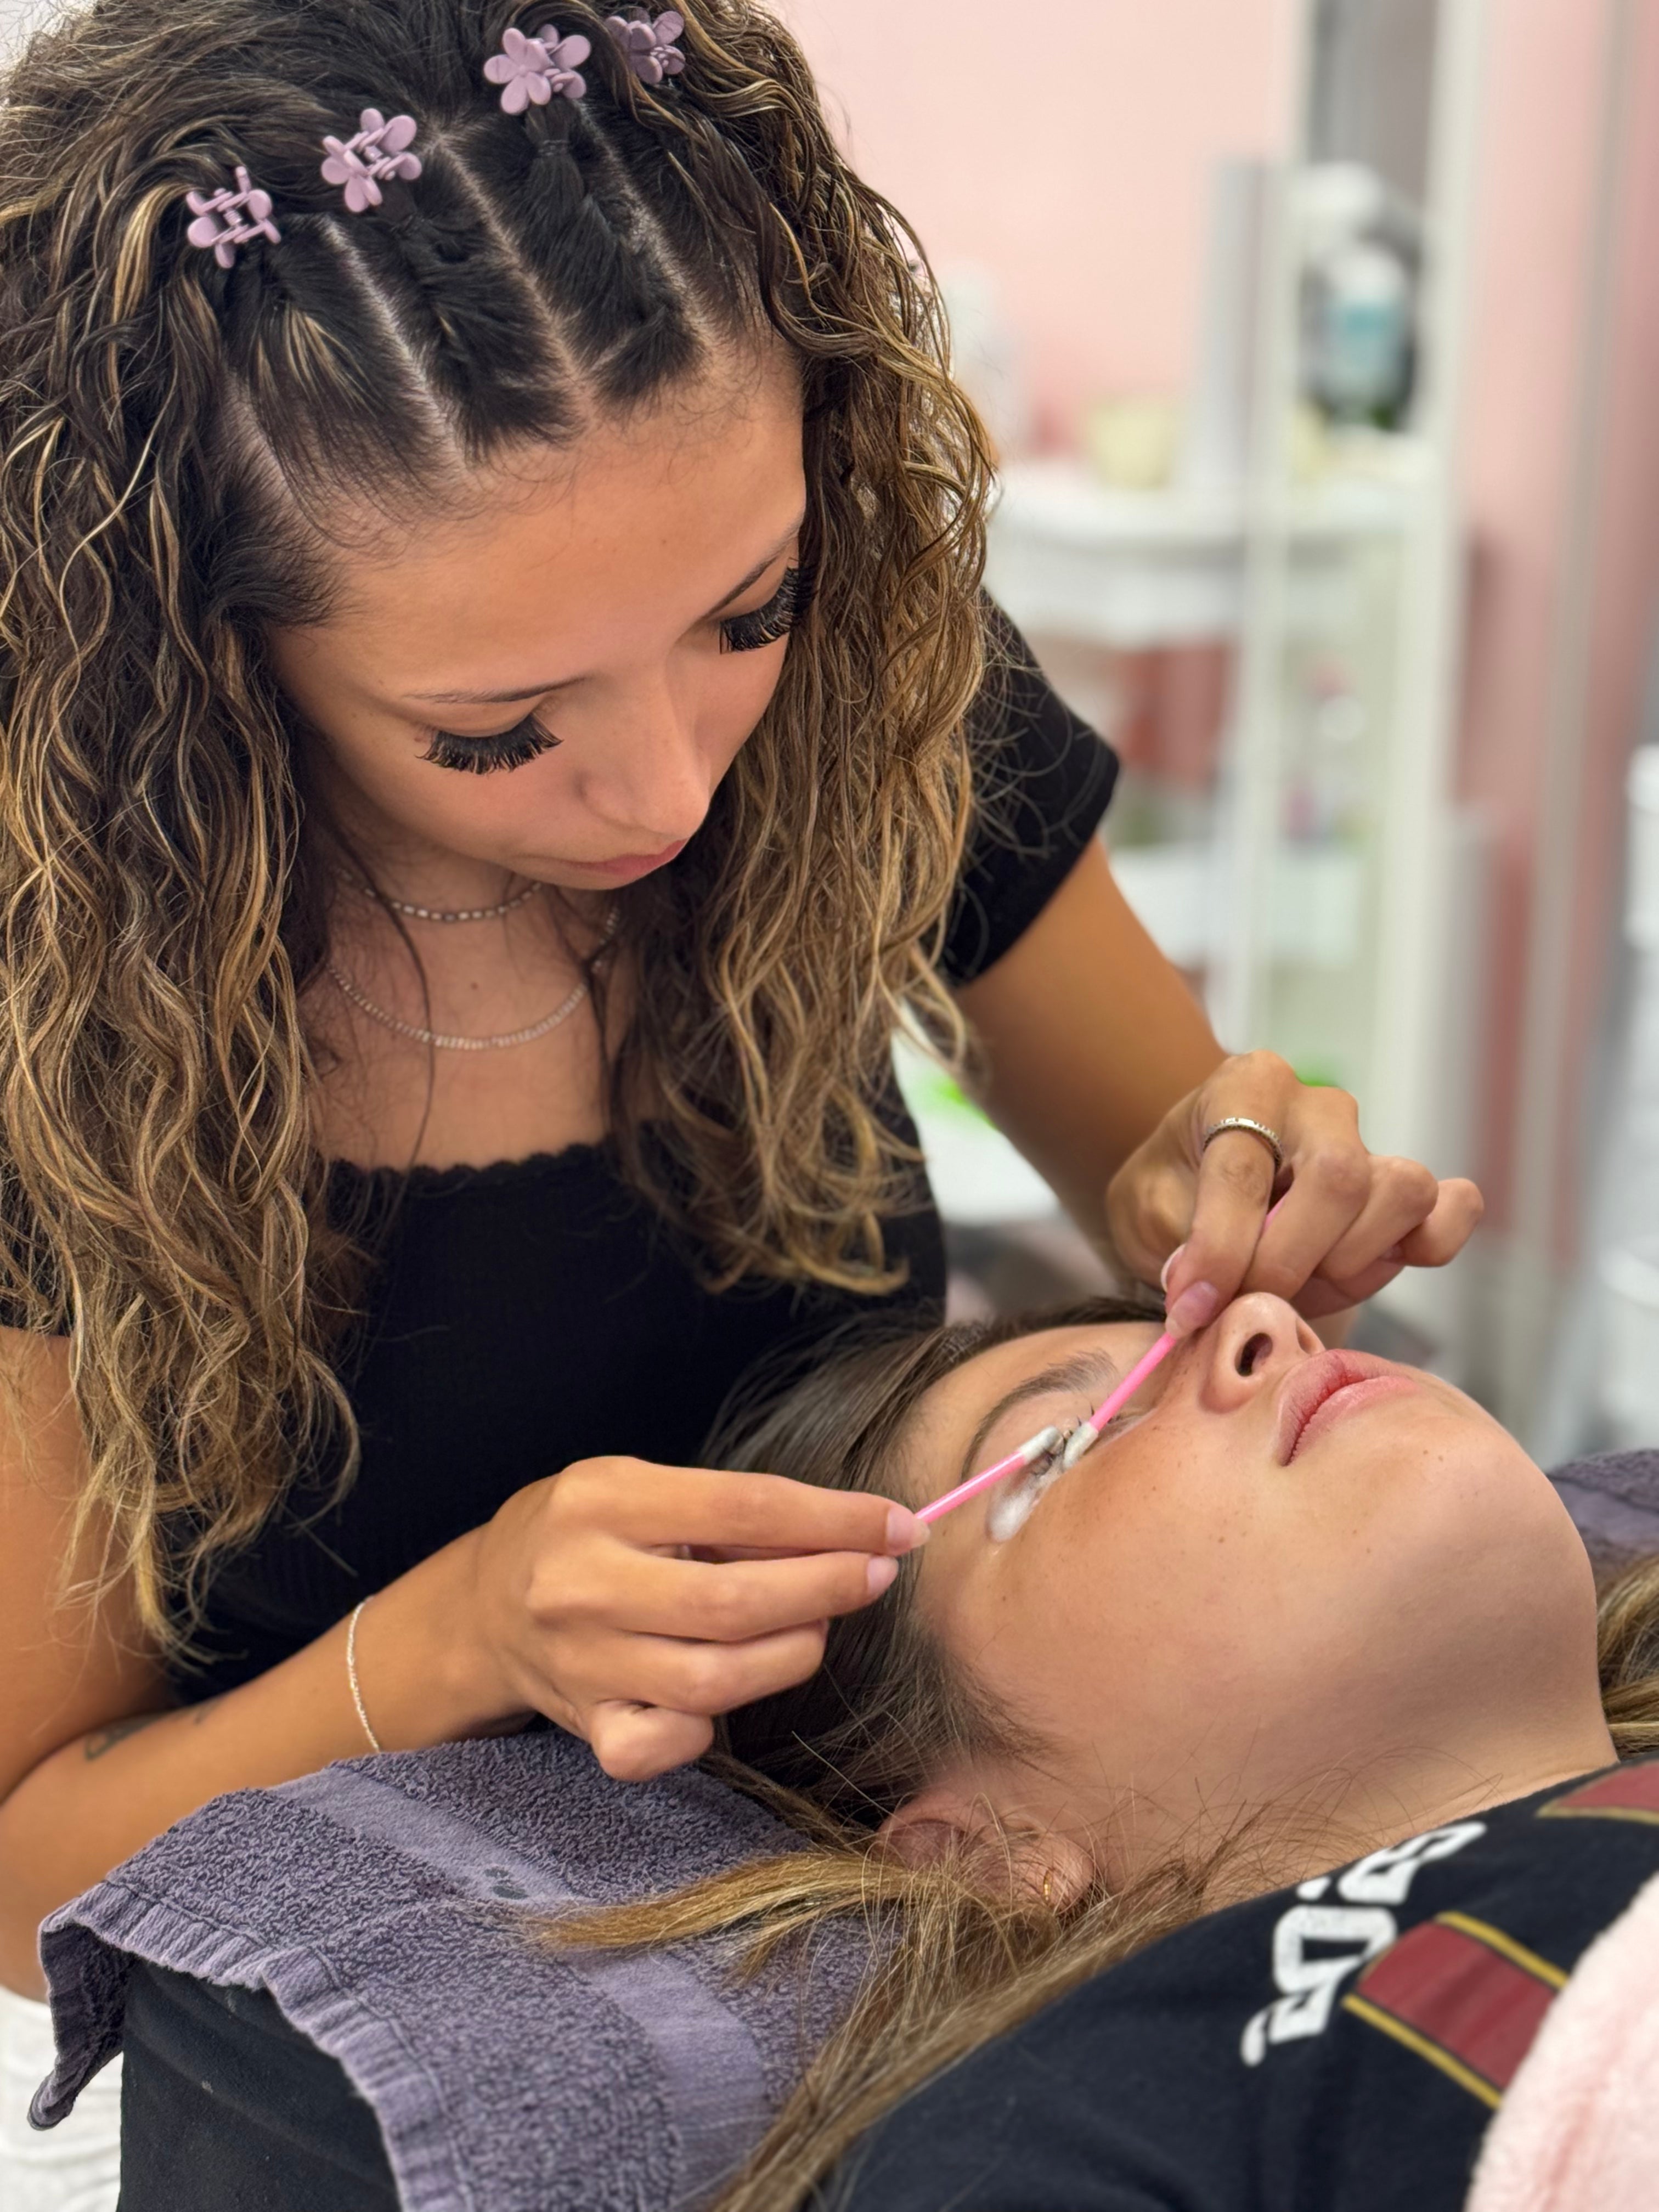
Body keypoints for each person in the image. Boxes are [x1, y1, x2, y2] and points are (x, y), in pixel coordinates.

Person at [0, 0, 1481, 2191]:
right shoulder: (62, 1020)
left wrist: (1243, 1181)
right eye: (499, 735)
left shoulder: (877, 700)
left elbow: (1180, 1189)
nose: (676, 783)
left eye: (746, 609)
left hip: (966, 2040)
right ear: (196, 649)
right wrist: (461, 1632)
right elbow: (28, 1881)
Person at [83, 1291, 1659, 2210]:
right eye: (1050, 1454)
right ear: (983, 1847)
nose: (1263, 1318)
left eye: (1197, 1320)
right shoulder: (1098, 2109)